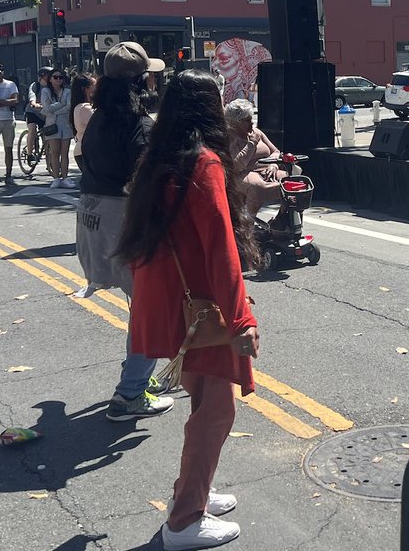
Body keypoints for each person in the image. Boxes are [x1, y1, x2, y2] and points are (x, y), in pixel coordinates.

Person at [117, 69, 260, 550]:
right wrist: (242, 318)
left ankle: (193, 491)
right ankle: (184, 519)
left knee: (204, 401)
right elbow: (222, 249)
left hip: (170, 300)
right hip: (201, 306)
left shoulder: (160, 158)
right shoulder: (205, 164)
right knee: (216, 410)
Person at [76, 42, 174, 420]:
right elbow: (146, 183)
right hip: (124, 219)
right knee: (150, 309)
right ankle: (130, 393)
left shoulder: (97, 117)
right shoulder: (139, 125)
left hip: (92, 216)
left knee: (141, 306)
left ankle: (138, 376)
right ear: (142, 80)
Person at [224, 98, 297, 215]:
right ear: (236, 122)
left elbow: (275, 151)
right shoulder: (230, 137)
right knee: (259, 187)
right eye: (247, 120)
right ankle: (248, 218)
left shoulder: (257, 132)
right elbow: (237, 166)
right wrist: (252, 143)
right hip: (244, 173)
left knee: (294, 181)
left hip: (267, 170)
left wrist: (273, 164)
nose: (252, 123)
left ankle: (284, 217)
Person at [41, 70, 75, 188]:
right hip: (52, 125)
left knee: (64, 152)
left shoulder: (67, 91)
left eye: (60, 77)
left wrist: (55, 111)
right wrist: (61, 104)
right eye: (55, 77)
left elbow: (69, 106)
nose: (58, 79)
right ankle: (56, 178)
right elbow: (46, 108)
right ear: (50, 79)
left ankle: (65, 177)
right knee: (54, 152)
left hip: (65, 124)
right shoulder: (45, 91)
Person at [70, 72, 96, 175]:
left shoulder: (79, 107)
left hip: (83, 150)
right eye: (94, 85)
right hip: (88, 151)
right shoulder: (85, 108)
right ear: (84, 89)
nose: (96, 88)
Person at [25, 67, 53, 158]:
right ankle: (29, 154)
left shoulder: (52, 86)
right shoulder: (35, 85)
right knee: (32, 130)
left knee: (47, 134)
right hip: (33, 112)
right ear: (42, 76)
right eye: (49, 75)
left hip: (45, 113)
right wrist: (34, 103)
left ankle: (49, 158)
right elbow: (32, 95)